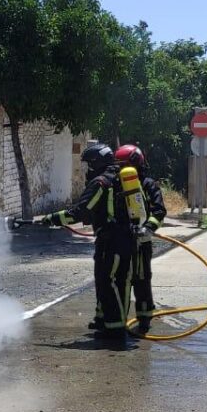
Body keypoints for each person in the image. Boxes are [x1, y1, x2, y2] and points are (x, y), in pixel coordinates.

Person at [40, 143, 135, 345]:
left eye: (89, 166)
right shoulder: (121, 179)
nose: (87, 171)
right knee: (121, 281)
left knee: (105, 282)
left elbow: (80, 212)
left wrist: (52, 218)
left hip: (110, 241)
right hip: (128, 238)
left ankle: (115, 330)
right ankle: (107, 322)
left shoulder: (100, 183)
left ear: (95, 164)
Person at [115, 144, 165, 335]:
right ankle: (119, 320)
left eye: (123, 165)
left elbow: (159, 210)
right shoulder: (116, 184)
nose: (120, 169)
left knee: (142, 279)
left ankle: (144, 319)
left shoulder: (148, 185)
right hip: (123, 241)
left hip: (142, 242)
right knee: (122, 280)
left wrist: (148, 227)